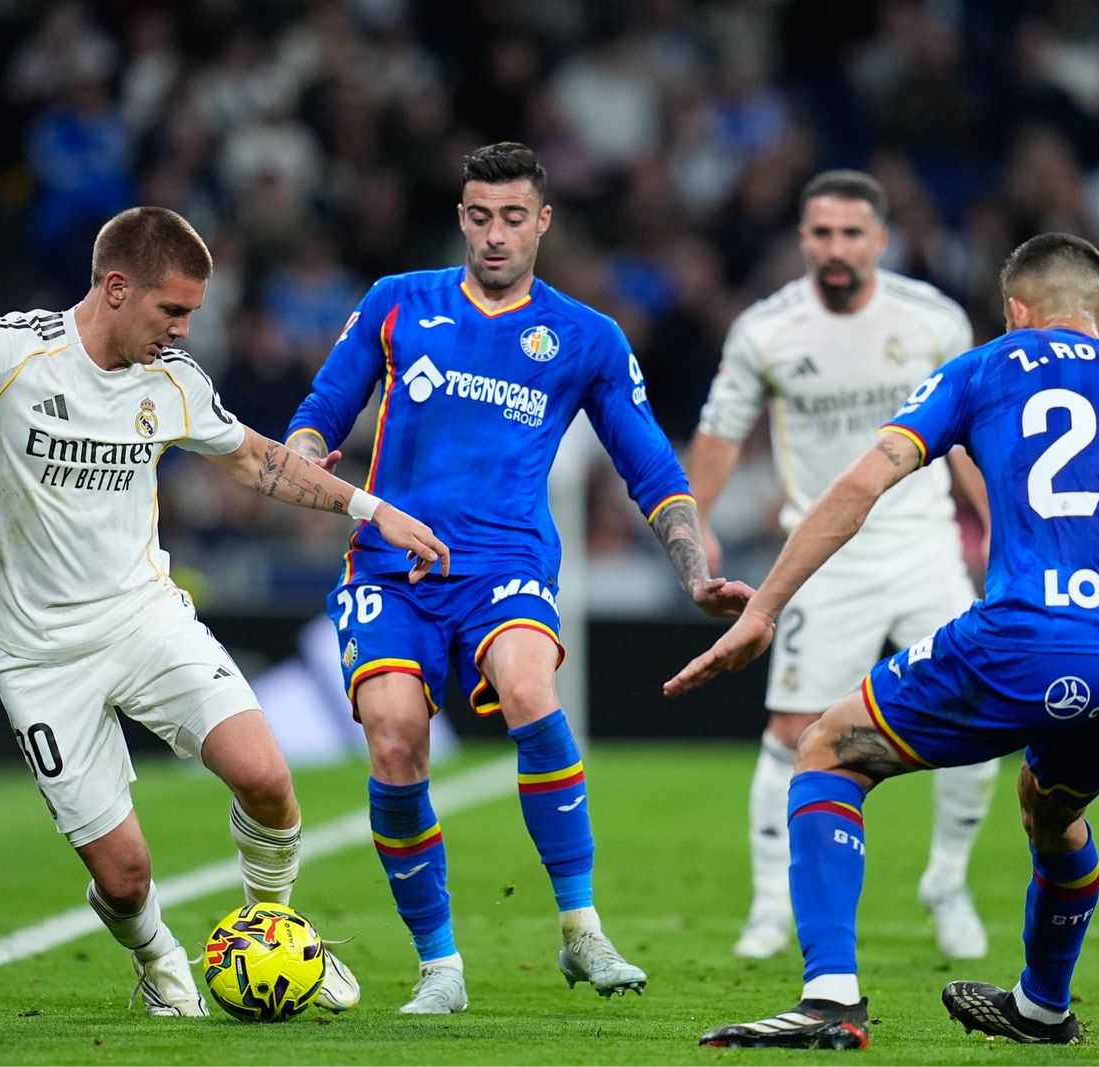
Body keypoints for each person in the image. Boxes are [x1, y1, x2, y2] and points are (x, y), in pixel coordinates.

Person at [0, 206, 451, 1019]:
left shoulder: (174, 380)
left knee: (268, 778)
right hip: (36, 654)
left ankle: (272, 924)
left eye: (193, 312)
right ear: (117, 287)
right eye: (174, 310)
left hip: (144, 618)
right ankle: (157, 955)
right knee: (124, 876)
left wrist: (373, 511)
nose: (185, 329)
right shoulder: (12, 349)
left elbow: (256, 460)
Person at [665, 233, 1099, 1049]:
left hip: (1027, 637)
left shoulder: (989, 366)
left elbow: (862, 483)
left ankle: (830, 999)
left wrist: (765, 607)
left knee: (829, 748)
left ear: (1016, 313)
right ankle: (1043, 1007)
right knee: (1052, 816)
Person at [285, 142, 752, 1014]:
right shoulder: (397, 304)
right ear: (460, 216)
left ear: (543, 221)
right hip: (389, 567)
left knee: (532, 692)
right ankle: (441, 968)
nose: (493, 235)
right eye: (478, 215)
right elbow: (318, 416)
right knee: (392, 739)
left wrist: (695, 573)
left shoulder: (585, 336)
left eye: (511, 217)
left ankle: (581, 930)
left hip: (505, 564)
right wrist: (309, 467)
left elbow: (651, 469)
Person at [686, 170, 999, 961]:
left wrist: (1002, 527)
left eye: (851, 233)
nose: (835, 248)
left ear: (881, 239)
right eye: (821, 233)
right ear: (801, 238)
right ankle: (768, 908)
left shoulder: (934, 320)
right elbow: (723, 432)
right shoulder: (766, 329)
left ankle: (948, 881)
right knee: (793, 731)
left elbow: (966, 439)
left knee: (985, 713)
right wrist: (693, 526)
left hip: (925, 544)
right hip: (824, 561)